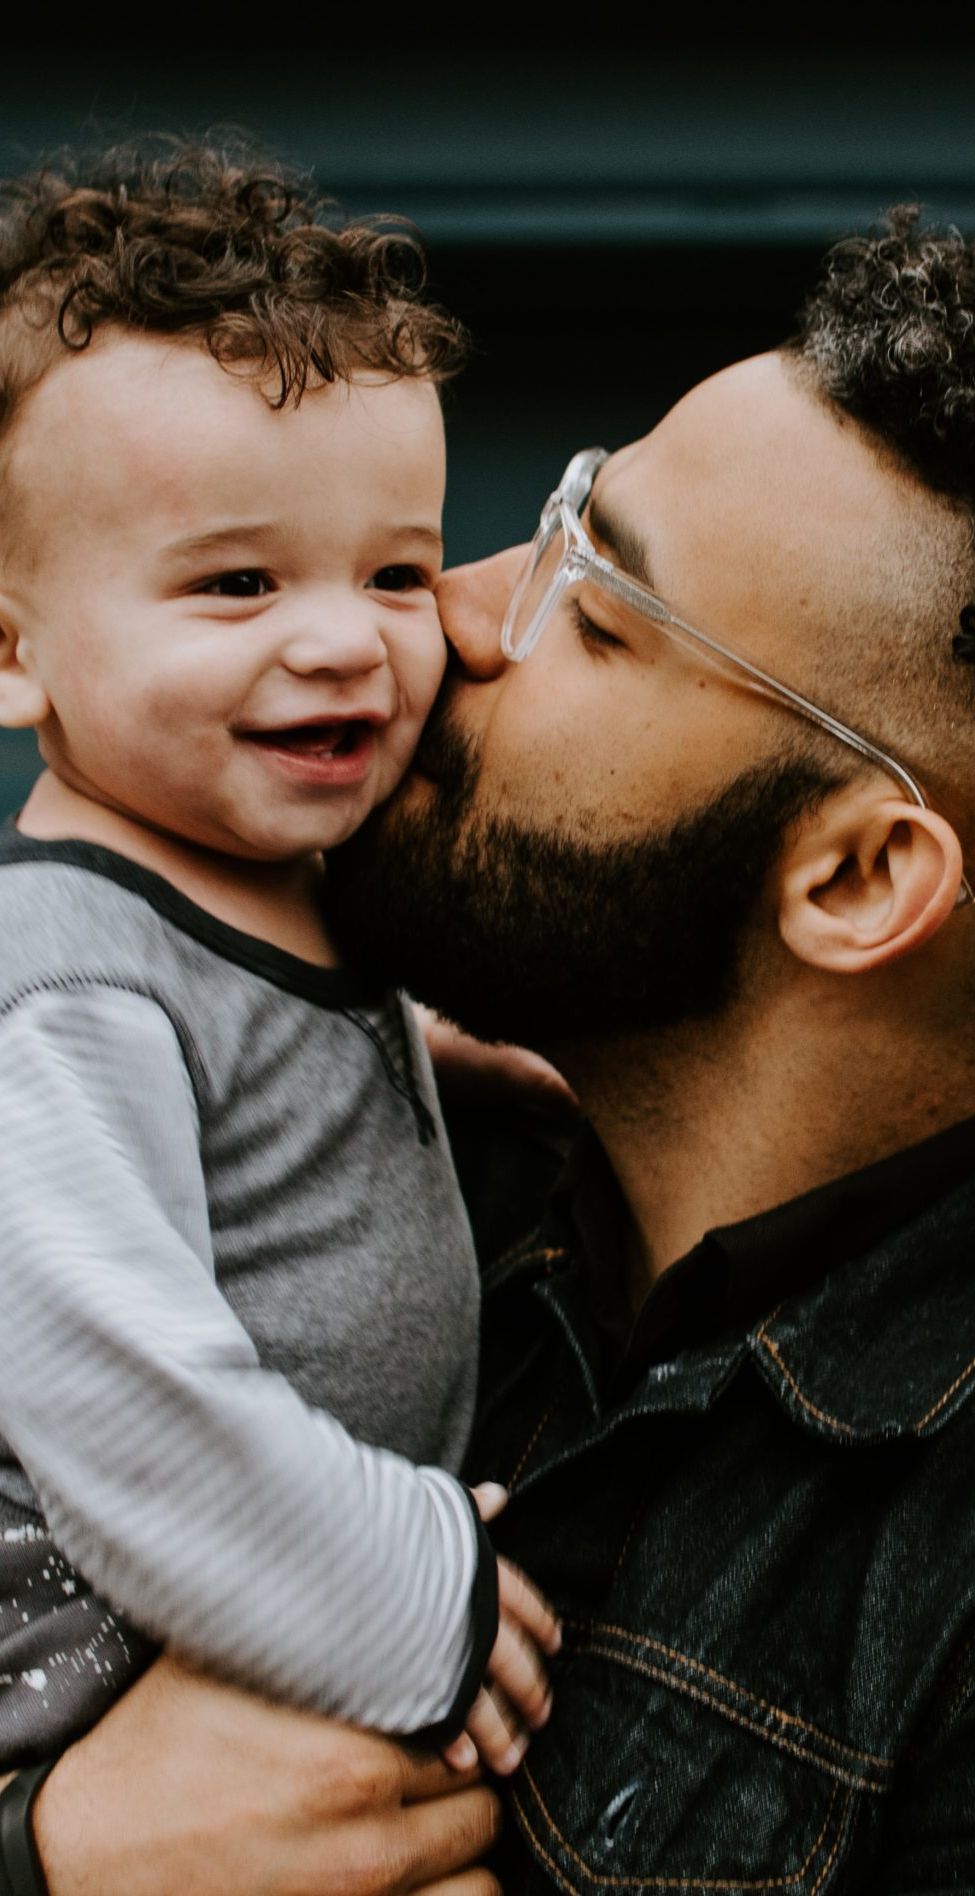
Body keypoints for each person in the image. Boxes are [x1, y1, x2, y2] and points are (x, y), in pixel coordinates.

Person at [9, 208, 975, 1892]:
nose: (441, 617)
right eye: (550, 529)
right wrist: (48, 1847)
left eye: (597, 615)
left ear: (859, 877)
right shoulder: (279, 1138)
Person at [0, 142, 556, 1791]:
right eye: (236, 583)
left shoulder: (257, 883)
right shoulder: (63, 988)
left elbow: (245, 1078)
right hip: (102, 1691)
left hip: (249, 1642)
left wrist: (427, 1066)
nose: (340, 639)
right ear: (14, 650)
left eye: (393, 571)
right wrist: (410, 1586)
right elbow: (122, 1399)